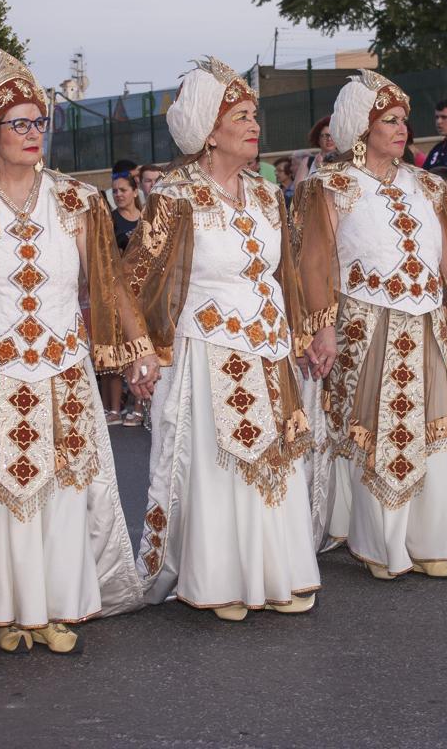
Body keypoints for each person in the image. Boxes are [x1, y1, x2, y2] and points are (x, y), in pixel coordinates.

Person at [0, 48, 156, 655]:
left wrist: (137, 349)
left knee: (59, 490)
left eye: (38, 123)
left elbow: (107, 283)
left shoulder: (77, 201)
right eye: (18, 124)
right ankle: (4, 612)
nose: (32, 135)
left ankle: (55, 608)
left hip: (61, 370)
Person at [123, 57, 319, 620]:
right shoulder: (176, 197)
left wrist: (301, 334)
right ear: (210, 133)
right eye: (241, 116)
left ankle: (278, 572)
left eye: (255, 114)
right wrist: (144, 351)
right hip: (207, 352)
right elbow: (132, 280)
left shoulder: (264, 196)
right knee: (219, 465)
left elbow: (285, 275)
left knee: (273, 462)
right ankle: (218, 578)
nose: (254, 125)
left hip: (268, 350)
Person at [293, 70, 447, 578]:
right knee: (375, 430)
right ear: (362, 128)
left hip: (424, 325)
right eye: (389, 120)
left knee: (425, 431)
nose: (401, 129)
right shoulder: (331, 185)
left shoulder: (429, 186)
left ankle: (428, 540)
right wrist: (321, 326)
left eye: (404, 120)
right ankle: (382, 544)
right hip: (364, 327)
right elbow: (315, 263)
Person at [102, 171, 145, 426]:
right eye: (115, 191)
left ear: (134, 190)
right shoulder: (111, 220)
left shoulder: (146, 218)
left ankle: (139, 407)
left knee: (141, 347)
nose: (118, 194)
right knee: (118, 351)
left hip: (144, 292)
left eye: (123, 190)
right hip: (118, 291)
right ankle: (115, 409)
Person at [295, 116, 337, 185]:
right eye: (325, 135)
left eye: (332, 135)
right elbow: (298, 189)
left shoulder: (344, 160)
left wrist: (321, 169)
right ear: (318, 139)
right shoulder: (308, 162)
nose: (329, 139)